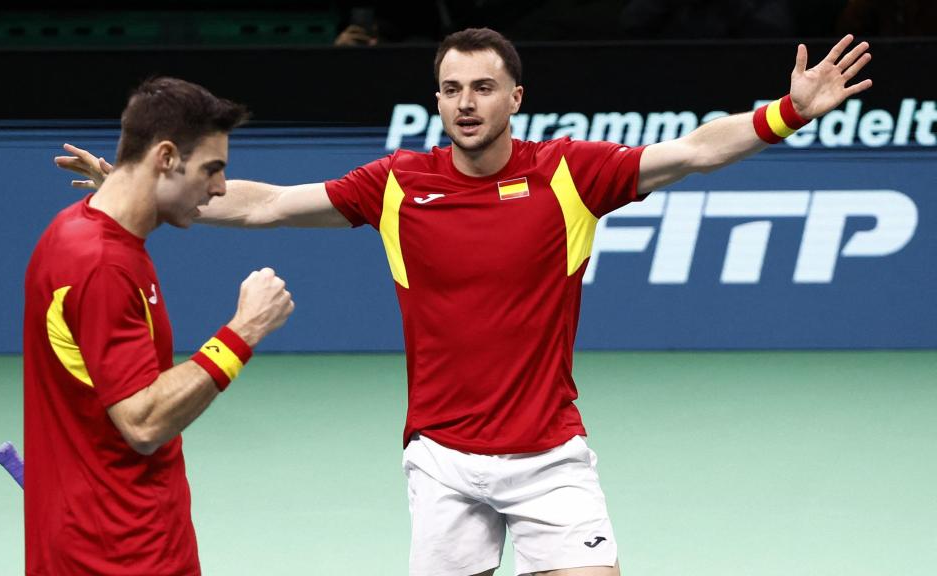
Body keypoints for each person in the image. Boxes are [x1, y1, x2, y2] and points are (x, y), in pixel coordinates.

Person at [58, 29, 871, 576]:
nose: (467, 103)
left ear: (516, 96)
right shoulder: (399, 185)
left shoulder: (570, 174)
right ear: (438, 100)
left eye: (484, 87)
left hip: (550, 456)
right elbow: (266, 203)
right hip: (441, 462)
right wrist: (142, 184)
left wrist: (790, 111)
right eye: (451, 89)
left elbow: (692, 151)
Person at [27, 77, 295, 574]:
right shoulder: (103, 265)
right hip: (119, 554)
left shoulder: (75, 230)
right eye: (212, 170)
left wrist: (123, 188)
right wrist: (244, 332)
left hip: (107, 534)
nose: (218, 188)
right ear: (166, 157)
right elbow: (143, 422)